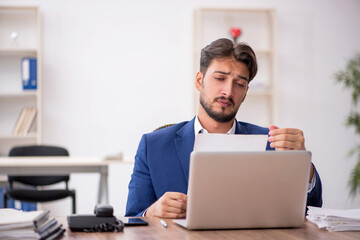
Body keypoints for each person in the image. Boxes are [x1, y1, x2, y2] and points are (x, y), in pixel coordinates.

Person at [125, 38, 322, 218]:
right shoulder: (154, 146)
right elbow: (131, 219)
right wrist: (151, 212)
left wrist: (302, 164)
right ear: (199, 81)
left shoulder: (270, 143)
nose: (228, 91)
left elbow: (310, 210)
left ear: (245, 93)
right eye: (220, 78)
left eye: (239, 84)